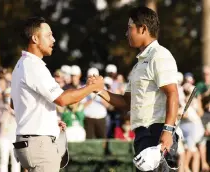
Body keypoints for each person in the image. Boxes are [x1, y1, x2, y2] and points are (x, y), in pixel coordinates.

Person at [89, 7, 179, 171]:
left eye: (129, 28)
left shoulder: (159, 55)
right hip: (143, 134)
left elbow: (172, 93)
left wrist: (167, 131)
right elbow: (125, 103)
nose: (126, 33)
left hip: (157, 132)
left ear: (143, 29)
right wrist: (99, 90)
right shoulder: (138, 65)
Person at [11, 17, 104, 172]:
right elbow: (62, 99)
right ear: (35, 38)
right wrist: (92, 87)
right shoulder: (34, 66)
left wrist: (47, 122)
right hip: (39, 146)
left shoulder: (21, 65)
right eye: (48, 35)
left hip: (27, 143)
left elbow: (14, 104)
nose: (53, 39)